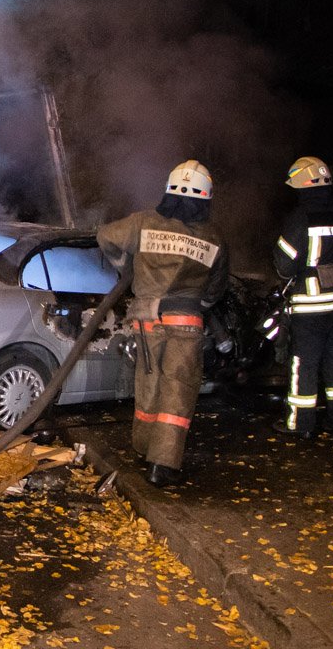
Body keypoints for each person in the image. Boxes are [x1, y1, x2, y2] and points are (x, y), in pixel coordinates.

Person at [98, 160, 229, 487]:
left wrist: (126, 267)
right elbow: (216, 287)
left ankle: (143, 448)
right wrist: (201, 304)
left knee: (149, 384)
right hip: (186, 322)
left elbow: (105, 236)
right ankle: (162, 464)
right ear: (205, 197)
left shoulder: (143, 222)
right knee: (177, 390)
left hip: (147, 321)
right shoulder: (213, 236)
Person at [272, 156, 333, 440]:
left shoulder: (299, 218)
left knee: (304, 364)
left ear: (303, 185)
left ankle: (300, 424)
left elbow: (284, 265)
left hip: (310, 308)